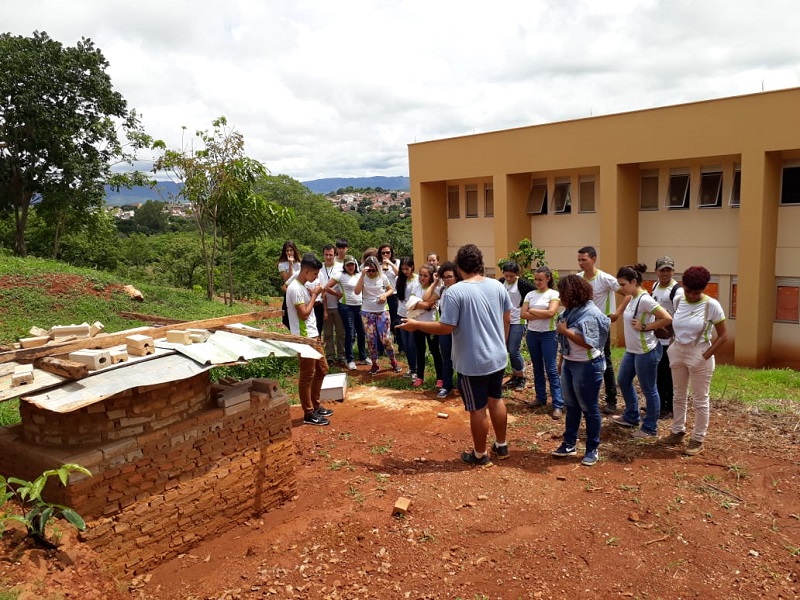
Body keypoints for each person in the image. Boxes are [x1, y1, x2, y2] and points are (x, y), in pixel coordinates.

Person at [399, 244, 511, 465]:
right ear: (480, 263)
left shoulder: (455, 292)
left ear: (459, 267)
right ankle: (502, 445)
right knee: (496, 399)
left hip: (473, 360)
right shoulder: (497, 286)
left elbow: (446, 327)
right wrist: (501, 344)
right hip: (497, 356)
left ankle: (480, 455)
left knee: (478, 408)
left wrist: (416, 325)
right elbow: (507, 318)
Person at [659, 266, 728, 456]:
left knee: (700, 399)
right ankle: (677, 431)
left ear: (704, 289)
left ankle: (698, 438)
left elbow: (723, 336)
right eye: (688, 290)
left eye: (696, 292)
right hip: (678, 350)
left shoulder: (711, 305)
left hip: (700, 352)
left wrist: (704, 356)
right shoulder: (679, 299)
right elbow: (677, 324)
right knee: (678, 394)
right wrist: (672, 343)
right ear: (683, 286)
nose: (691, 295)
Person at [551, 275, 610, 466]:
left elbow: (588, 343)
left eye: (562, 293)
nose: (560, 296)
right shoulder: (569, 312)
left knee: (589, 408)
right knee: (572, 406)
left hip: (587, 365)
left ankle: (592, 448)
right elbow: (565, 341)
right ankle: (569, 444)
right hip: (570, 362)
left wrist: (565, 331)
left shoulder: (590, 313)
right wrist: (562, 360)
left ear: (571, 294)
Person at [611, 264, 673, 438]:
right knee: (623, 380)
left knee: (649, 389)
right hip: (632, 350)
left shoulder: (645, 300)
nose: (621, 288)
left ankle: (650, 428)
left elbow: (667, 318)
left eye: (623, 285)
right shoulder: (632, 297)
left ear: (633, 281)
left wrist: (645, 326)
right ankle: (632, 416)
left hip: (646, 351)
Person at [577, 246, 627, 415]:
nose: (581, 263)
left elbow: (627, 293)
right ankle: (584, 398)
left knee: (604, 361)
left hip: (600, 326)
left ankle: (611, 400)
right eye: (579, 260)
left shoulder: (605, 279)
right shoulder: (578, 279)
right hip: (582, 325)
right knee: (583, 360)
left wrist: (617, 313)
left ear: (594, 259)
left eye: (584, 260)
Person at [285, 253, 333, 426]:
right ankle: (308, 412)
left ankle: (315, 404)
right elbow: (304, 314)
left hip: (312, 335)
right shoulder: (296, 289)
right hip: (304, 337)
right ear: (306, 271)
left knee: (322, 369)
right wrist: (315, 295)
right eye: (314, 274)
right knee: (307, 375)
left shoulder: (301, 286)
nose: (315, 278)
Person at [521, 266, 564, 418]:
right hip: (533, 334)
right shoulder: (530, 294)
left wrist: (532, 311)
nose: (537, 282)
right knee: (537, 367)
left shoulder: (553, 294)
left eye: (540, 279)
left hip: (548, 335)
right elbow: (522, 313)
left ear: (548, 279)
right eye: (536, 279)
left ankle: (558, 403)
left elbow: (551, 313)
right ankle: (540, 397)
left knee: (551, 369)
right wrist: (541, 314)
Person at [650, 256, 685, 420]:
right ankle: (660, 404)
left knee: (667, 374)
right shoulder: (655, 286)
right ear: (656, 271)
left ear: (673, 271)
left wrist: (674, 339)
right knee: (658, 373)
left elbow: (680, 316)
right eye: (662, 270)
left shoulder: (677, 291)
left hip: (669, 340)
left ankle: (669, 407)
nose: (665, 273)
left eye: (668, 270)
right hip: (656, 338)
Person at [356, 255, 401, 374]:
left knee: (385, 338)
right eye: (369, 270)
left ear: (377, 268)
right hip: (367, 312)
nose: (371, 272)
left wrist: (384, 295)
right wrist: (362, 275)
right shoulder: (363, 277)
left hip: (382, 311)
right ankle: (375, 363)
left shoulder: (383, 277)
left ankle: (393, 360)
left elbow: (391, 289)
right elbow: (357, 291)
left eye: (373, 270)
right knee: (371, 339)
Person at [424, 261, 461, 399]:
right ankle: (447, 385)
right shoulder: (442, 290)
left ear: (456, 277)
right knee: (446, 358)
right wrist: (435, 282)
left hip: (459, 330)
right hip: (445, 328)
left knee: (461, 357)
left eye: (449, 277)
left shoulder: (461, 289)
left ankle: (463, 385)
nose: (446, 279)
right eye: (444, 277)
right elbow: (426, 298)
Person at [325, 255, 369, 370]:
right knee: (350, 333)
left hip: (360, 306)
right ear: (345, 266)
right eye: (348, 265)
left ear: (355, 265)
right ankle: (349, 359)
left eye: (352, 264)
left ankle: (363, 356)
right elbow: (327, 287)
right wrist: (338, 294)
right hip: (346, 307)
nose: (350, 267)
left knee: (362, 332)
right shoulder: (340, 275)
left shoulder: (360, 275)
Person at [499, 261, 535, 391]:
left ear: (517, 274)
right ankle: (514, 375)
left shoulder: (522, 284)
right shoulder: (500, 282)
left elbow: (535, 293)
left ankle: (521, 376)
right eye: (506, 275)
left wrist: (525, 307)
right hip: (503, 319)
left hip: (517, 320)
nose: (508, 278)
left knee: (513, 349)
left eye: (511, 276)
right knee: (505, 348)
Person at [407, 263, 443, 389]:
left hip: (431, 324)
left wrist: (420, 303)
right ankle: (420, 377)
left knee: (435, 351)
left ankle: (440, 378)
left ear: (431, 277)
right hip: (417, 324)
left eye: (425, 276)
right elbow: (411, 303)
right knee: (420, 351)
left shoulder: (436, 288)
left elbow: (429, 303)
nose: (422, 278)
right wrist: (423, 304)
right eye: (420, 275)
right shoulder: (416, 287)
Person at [318, 244, 346, 365]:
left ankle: (342, 355)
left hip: (339, 304)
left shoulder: (340, 267)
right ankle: (330, 356)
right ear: (323, 255)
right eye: (326, 254)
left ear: (335, 255)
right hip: (325, 305)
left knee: (341, 332)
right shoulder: (319, 268)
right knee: (328, 333)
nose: (328, 257)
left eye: (331, 254)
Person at [395, 257, 418, 379]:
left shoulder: (417, 279)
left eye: (407, 269)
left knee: (412, 344)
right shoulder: (399, 279)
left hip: (414, 316)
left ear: (412, 267)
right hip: (402, 314)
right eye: (402, 269)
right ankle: (411, 368)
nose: (405, 271)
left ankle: (416, 369)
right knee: (406, 344)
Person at [378, 244, 402, 351]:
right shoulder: (377, 264)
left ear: (391, 253)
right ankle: (381, 348)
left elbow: (400, 274)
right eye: (383, 253)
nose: (385, 255)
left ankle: (401, 346)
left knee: (396, 321)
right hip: (381, 296)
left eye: (388, 252)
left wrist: (390, 263)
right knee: (381, 322)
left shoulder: (397, 262)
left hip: (394, 295)